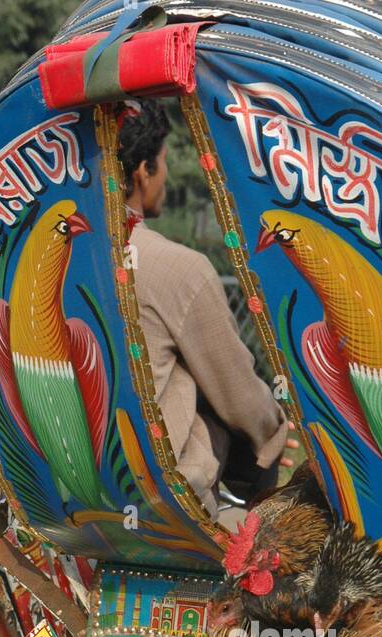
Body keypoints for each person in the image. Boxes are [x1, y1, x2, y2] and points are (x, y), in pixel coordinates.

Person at [118, 101, 290, 521]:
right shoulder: (176, 268)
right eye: (162, 163)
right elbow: (240, 396)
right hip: (169, 504)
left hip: (75, 489)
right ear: (143, 170)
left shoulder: (58, 257)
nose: (167, 176)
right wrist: (275, 434)